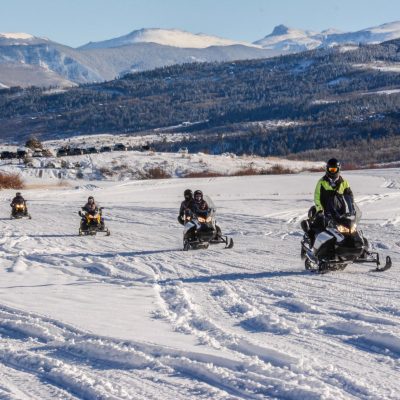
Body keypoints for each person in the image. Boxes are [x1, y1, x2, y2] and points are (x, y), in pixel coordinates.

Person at [305, 158, 354, 244]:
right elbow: (317, 197)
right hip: (325, 212)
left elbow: (349, 196)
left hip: (340, 213)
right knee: (318, 228)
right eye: (330, 169)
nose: (332, 171)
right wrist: (320, 210)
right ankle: (312, 246)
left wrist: (351, 208)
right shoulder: (322, 182)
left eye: (334, 169)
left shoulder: (344, 182)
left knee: (349, 230)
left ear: (338, 169)